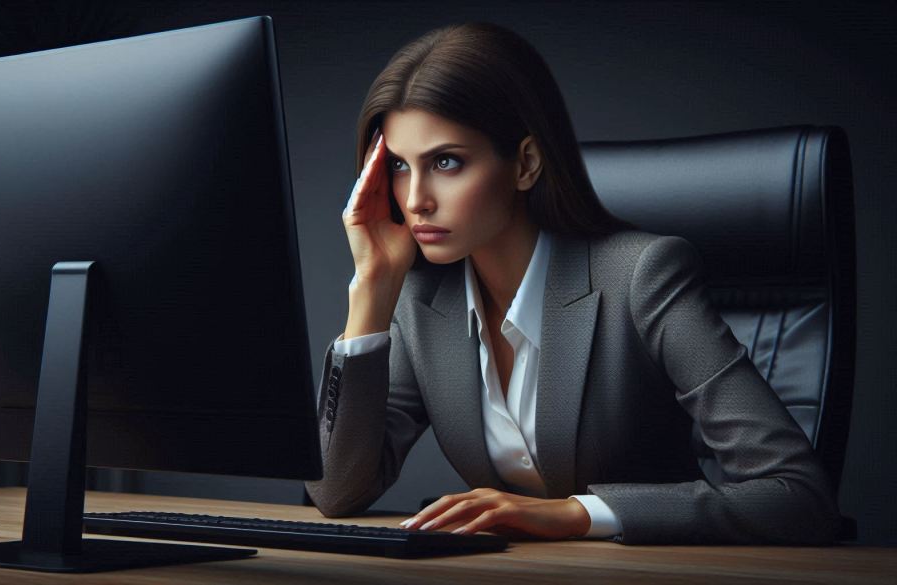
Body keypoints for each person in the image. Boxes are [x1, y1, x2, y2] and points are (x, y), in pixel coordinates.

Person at [304, 21, 840, 545]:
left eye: (446, 161)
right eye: (398, 165)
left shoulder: (642, 277)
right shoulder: (422, 300)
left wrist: (577, 514)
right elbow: (336, 490)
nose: (416, 197)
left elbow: (797, 494)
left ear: (526, 163)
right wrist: (372, 288)